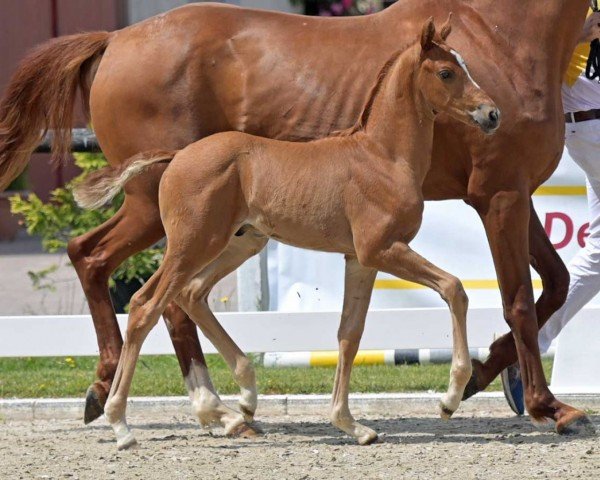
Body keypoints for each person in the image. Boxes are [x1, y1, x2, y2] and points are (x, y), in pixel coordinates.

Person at [502, 10, 600, 415]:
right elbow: (528, 46)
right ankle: (528, 345)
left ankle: (527, 346)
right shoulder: (572, 10)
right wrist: (579, 33)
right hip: (591, 124)